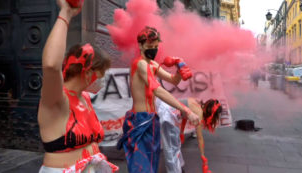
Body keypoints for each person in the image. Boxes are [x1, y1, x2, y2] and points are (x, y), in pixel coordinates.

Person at [37, 0, 118, 172]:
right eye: (101, 72)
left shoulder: (85, 97)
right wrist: (66, 13)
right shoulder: (57, 99)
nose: (103, 79)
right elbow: (51, 65)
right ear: (88, 72)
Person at [117, 26, 200, 173]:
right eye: (150, 46)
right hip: (140, 120)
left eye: (156, 46)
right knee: (141, 166)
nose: (153, 50)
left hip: (153, 119)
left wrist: (179, 66)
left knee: (152, 162)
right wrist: (186, 110)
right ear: (140, 45)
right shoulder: (140, 64)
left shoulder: (153, 64)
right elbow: (157, 90)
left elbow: (173, 81)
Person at [156, 98, 222, 173]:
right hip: (167, 114)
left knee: (175, 145)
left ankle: (178, 167)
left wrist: (180, 132)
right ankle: (174, 171)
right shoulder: (199, 115)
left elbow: (184, 113)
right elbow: (200, 138)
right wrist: (203, 156)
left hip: (165, 107)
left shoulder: (196, 102)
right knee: (171, 148)